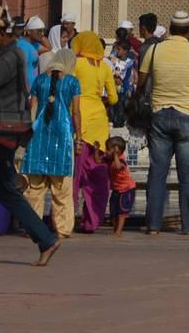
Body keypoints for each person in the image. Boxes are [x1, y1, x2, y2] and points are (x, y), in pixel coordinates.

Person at [136, 11, 189, 234]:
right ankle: (188, 226)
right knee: (188, 175)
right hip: (188, 116)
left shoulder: (154, 49)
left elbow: (141, 83)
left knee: (157, 173)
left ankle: (152, 225)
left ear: (170, 28)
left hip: (159, 115)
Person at [22, 48, 80, 238]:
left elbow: (33, 109)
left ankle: (33, 227)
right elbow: (76, 113)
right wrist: (78, 137)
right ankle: (63, 229)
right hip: (62, 136)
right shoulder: (72, 81)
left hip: (38, 136)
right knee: (62, 188)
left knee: (35, 188)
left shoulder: (39, 80)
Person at [69, 31, 117, 232]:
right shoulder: (105, 67)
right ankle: (92, 222)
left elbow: (68, 88)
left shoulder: (76, 64)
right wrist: (102, 100)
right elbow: (114, 98)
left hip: (79, 121)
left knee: (74, 176)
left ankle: (67, 220)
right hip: (99, 125)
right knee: (98, 176)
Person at [102, 136, 137, 234]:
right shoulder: (108, 159)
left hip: (127, 189)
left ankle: (118, 231)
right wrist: (96, 151)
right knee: (113, 212)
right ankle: (115, 229)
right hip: (116, 189)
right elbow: (97, 161)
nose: (106, 151)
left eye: (108, 149)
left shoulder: (121, 160)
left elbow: (117, 167)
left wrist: (116, 155)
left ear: (116, 151)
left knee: (122, 212)